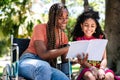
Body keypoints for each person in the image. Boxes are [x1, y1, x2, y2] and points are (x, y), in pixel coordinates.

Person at [18, 3, 70, 80]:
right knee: (43, 67)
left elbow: (65, 60)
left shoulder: (63, 36)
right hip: (28, 61)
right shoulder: (40, 28)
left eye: (66, 17)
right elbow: (43, 54)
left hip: (46, 67)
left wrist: (76, 58)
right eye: (60, 18)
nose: (64, 21)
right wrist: (67, 48)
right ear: (53, 18)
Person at [71, 9, 115, 80]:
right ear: (81, 26)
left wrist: (101, 69)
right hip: (86, 68)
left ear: (96, 27)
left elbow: (104, 59)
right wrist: (92, 68)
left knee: (109, 76)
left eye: (92, 26)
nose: (89, 28)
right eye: (86, 25)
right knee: (91, 77)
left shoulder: (100, 39)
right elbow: (82, 62)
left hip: (100, 67)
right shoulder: (79, 40)